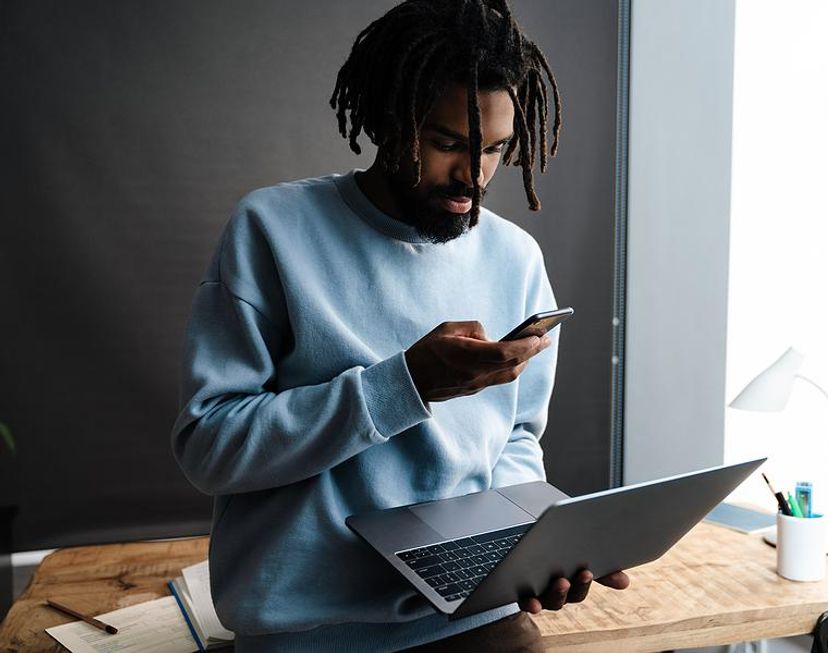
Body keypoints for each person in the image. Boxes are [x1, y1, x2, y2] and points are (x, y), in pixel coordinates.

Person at [171, 1, 628, 651]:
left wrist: (536, 544)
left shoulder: (514, 258)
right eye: (449, 143)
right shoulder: (271, 231)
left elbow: (517, 439)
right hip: (311, 631)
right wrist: (404, 384)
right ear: (391, 120)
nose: (474, 176)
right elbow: (209, 447)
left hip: (476, 616)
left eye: (495, 149)